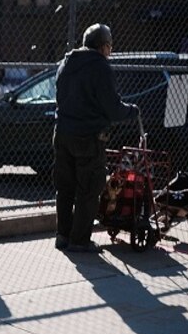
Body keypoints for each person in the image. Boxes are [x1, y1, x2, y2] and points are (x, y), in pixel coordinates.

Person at [53, 23, 139, 253]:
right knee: (89, 188)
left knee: (66, 188)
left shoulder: (66, 63)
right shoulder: (100, 67)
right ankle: (79, 240)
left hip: (62, 133)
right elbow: (112, 107)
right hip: (88, 137)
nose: (110, 52)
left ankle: (63, 235)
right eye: (110, 47)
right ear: (102, 47)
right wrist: (132, 110)